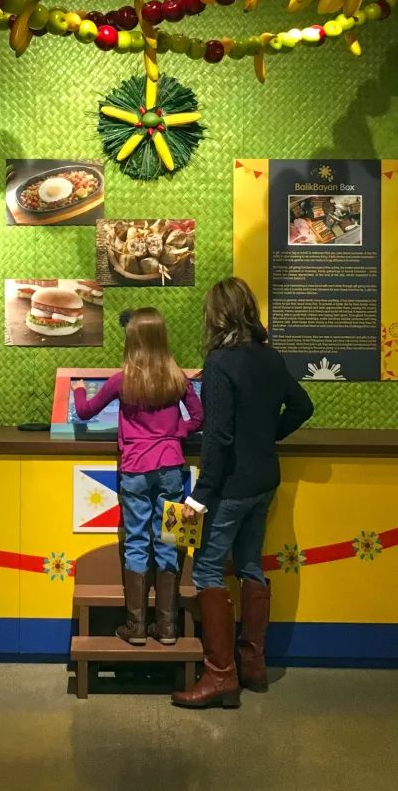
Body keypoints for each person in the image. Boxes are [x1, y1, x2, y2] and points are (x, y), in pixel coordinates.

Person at [172, 278, 314, 710]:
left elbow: (217, 437)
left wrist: (200, 494)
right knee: (250, 564)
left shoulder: (220, 363)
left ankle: (219, 677)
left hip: (230, 486)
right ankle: (253, 665)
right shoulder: (270, 357)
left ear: (216, 315)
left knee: (208, 572)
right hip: (264, 479)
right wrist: (267, 437)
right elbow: (303, 406)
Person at [73, 308, 203, 647]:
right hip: (171, 468)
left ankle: (135, 626)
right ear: (163, 338)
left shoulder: (122, 380)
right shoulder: (177, 378)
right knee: (169, 541)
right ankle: (168, 627)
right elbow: (199, 417)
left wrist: (79, 391)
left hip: (134, 469)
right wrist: (178, 430)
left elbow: (85, 412)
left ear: (132, 341)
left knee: (136, 541)